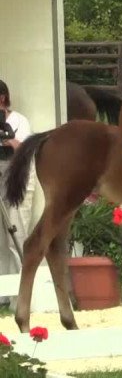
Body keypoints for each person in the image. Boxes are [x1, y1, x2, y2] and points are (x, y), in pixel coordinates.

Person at [0, 79, 34, 304]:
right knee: (2, 241)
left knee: (17, 235)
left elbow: (26, 149)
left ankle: (23, 297)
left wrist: (8, 139)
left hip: (17, 181)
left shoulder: (19, 121)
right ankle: (5, 294)